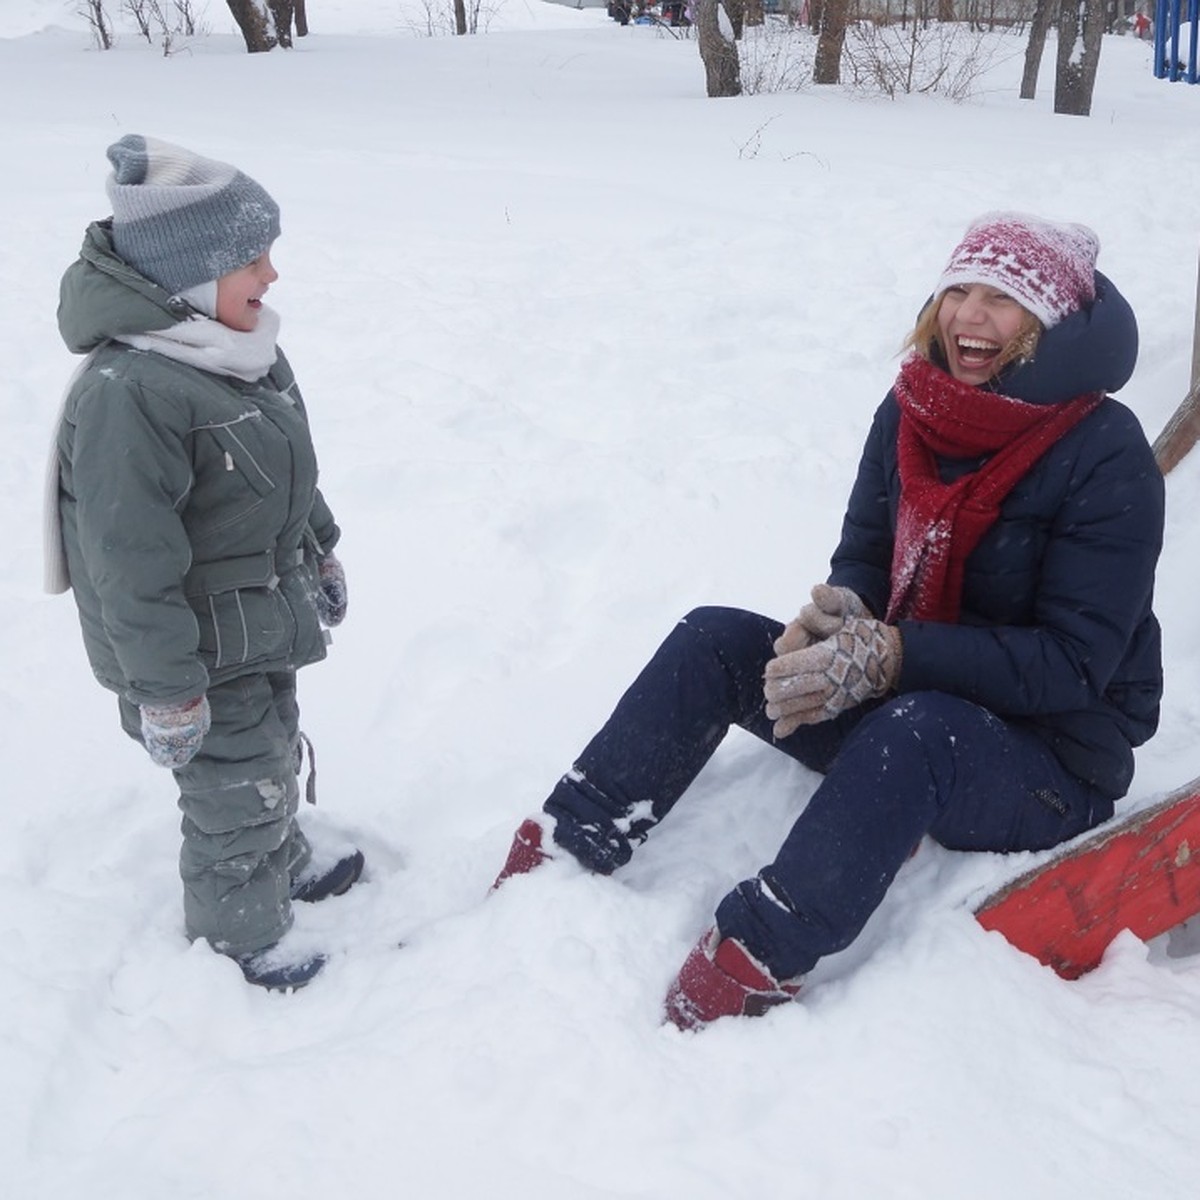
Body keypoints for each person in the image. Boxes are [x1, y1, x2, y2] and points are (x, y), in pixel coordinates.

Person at [492, 213, 1164, 1030]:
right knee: (714, 639)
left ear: (1047, 324)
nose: (967, 318)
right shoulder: (916, 405)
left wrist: (891, 654)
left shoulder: (1104, 450)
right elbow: (868, 547)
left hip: (1052, 762)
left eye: (1001, 299)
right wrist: (844, 616)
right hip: (909, 704)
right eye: (958, 291)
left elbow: (1072, 664)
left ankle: (758, 956)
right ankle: (571, 842)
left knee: (915, 731)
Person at [44, 135, 364, 991]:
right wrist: (166, 689)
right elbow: (127, 565)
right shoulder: (131, 396)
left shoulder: (238, 350)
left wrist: (319, 548)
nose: (271, 276)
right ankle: (239, 932)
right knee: (231, 788)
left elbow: (290, 474)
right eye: (252, 259)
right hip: (186, 653)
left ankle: (280, 852)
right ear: (189, 276)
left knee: (270, 749)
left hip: (254, 618)